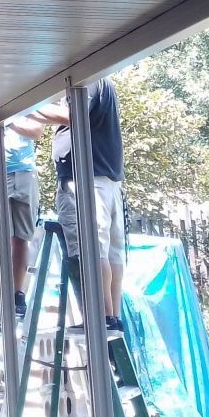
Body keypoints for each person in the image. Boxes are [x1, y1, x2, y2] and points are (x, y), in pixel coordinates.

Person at [38, 78, 126, 332]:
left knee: (91, 248)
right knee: (110, 250)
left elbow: (71, 115)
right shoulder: (102, 82)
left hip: (86, 181)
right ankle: (111, 316)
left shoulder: (87, 80)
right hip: (104, 179)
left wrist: (29, 107)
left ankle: (102, 318)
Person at [0, 113, 45, 321]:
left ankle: (18, 295)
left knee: (21, 238)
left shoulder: (28, 100)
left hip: (25, 172)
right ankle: (3, 297)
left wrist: (9, 118)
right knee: (1, 238)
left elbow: (37, 131)